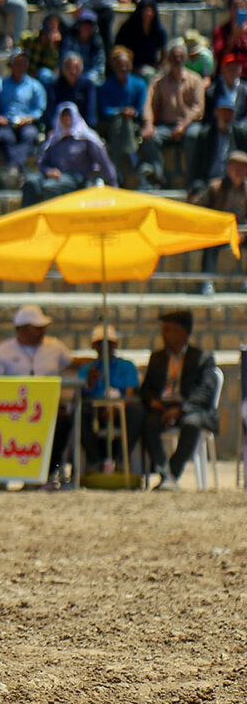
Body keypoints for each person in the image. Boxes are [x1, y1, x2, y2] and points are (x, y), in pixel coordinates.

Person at [0, 304, 78, 486]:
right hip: (13, 412)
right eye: (37, 328)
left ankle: (47, 473)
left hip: (48, 408)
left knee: (62, 422)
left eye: (43, 328)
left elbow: (71, 364)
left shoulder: (55, 347)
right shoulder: (1, 352)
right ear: (21, 329)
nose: (42, 332)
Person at [139, 310, 218, 490]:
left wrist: (181, 408)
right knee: (148, 424)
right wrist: (153, 402)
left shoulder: (202, 359)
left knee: (192, 424)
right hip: (162, 407)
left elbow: (205, 392)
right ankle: (164, 473)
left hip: (190, 408)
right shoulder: (157, 358)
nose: (163, 335)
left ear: (182, 332)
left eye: (167, 330)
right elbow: (147, 388)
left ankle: (171, 474)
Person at [21, 102, 117, 205]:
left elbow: (103, 161)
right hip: (54, 175)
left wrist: (113, 185)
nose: (67, 120)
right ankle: (28, 218)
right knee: (30, 183)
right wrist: (48, 170)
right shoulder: (54, 139)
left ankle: (55, 218)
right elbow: (42, 162)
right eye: (63, 117)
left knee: (50, 187)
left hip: (77, 177)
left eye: (69, 117)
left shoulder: (86, 138)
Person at [139, 43, 205, 190]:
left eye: (181, 56)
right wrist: (148, 124)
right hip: (166, 126)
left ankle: (190, 181)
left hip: (189, 125)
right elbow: (148, 103)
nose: (177, 60)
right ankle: (159, 177)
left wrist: (184, 125)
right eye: (174, 57)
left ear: (186, 58)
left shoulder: (195, 80)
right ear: (169, 59)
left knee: (194, 136)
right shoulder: (159, 81)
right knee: (149, 137)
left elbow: (198, 108)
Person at [78, 324, 142, 473]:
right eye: (100, 343)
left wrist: (115, 407)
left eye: (109, 343)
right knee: (79, 415)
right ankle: (94, 461)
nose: (105, 347)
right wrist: (90, 383)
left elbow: (130, 393)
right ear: (94, 345)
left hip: (121, 409)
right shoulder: (87, 369)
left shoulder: (127, 366)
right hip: (95, 410)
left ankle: (121, 459)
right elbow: (81, 394)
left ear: (116, 344)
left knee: (136, 412)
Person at [190, 150, 247, 295]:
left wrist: (243, 231)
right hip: (219, 231)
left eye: (243, 168)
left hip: (242, 232)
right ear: (228, 169)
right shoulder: (216, 187)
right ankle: (207, 281)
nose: (239, 172)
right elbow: (198, 207)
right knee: (210, 245)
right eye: (236, 168)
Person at [0, 49, 46, 185]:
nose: (20, 66)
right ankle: (19, 171)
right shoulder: (0, 84)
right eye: (17, 63)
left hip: (26, 123)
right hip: (6, 123)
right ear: (11, 65)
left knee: (30, 135)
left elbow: (39, 109)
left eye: (23, 63)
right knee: (5, 136)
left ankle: (14, 168)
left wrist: (28, 119)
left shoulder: (35, 86)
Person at [98, 45, 147, 184]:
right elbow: (104, 109)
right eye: (119, 65)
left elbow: (141, 107)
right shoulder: (106, 85)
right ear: (114, 66)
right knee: (120, 122)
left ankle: (116, 169)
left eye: (126, 65)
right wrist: (120, 111)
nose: (123, 68)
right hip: (113, 124)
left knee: (124, 123)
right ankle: (134, 158)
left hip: (134, 125)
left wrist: (132, 113)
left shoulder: (139, 84)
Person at [189, 96, 247, 200]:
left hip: (233, 181)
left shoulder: (239, 134)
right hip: (209, 182)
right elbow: (196, 164)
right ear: (216, 113)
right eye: (223, 112)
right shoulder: (206, 135)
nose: (226, 116)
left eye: (229, 113)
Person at [113, 0, 165, 79]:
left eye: (151, 11)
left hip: (150, 68)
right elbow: (118, 48)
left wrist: (157, 66)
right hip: (130, 69)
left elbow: (163, 52)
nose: (148, 14)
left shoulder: (158, 30)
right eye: (145, 10)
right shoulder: (128, 28)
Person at [47, 52, 97, 129]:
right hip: (60, 127)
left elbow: (91, 111)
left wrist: (89, 128)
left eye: (76, 68)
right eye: (69, 67)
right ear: (63, 69)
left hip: (83, 127)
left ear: (82, 69)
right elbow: (51, 111)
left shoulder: (88, 85)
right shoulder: (54, 86)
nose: (73, 71)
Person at [61, 10, 105, 85]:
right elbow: (64, 61)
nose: (87, 27)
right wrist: (74, 75)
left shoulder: (97, 42)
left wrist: (87, 78)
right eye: (84, 24)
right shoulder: (70, 38)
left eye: (90, 25)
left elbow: (99, 66)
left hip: (90, 78)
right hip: (71, 76)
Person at [20, 13, 62, 87]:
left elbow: (52, 66)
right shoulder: (30, 39)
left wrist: (52, 46)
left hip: (40, 77)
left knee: (46, 75)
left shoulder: (53, 46)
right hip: (26, 74)